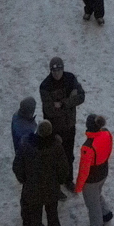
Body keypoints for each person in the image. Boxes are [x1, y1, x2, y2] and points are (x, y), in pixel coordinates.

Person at [17, 121, 67, 226]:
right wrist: (60, 181)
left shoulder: (26, 146)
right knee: (52, 216)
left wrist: (23, 180)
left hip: (33, 191)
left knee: (35, 219)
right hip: (51, 190)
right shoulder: (57, 147)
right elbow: (64, 169)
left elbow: (18, 166)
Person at [39, 56, 85, 184]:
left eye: (59, 70)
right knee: (55, 157)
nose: (57, 73)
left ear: (63, 69)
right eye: (54, 71)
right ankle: (56, 183)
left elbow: (81, 97)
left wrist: (63, 103)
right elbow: (50, 111)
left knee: (69, 156)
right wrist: (71, 101)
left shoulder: (70, 78)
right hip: (55, 129)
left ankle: (68, 180)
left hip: (69, 126)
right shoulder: (45, 86)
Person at [74, 114, 114, 226]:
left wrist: (79, 186)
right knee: (97, 194)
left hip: (92, 179)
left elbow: (84, 170)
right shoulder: (106, 133)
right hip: (103, 171)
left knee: (92, 202)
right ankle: (105, 213)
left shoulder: (88, 147)